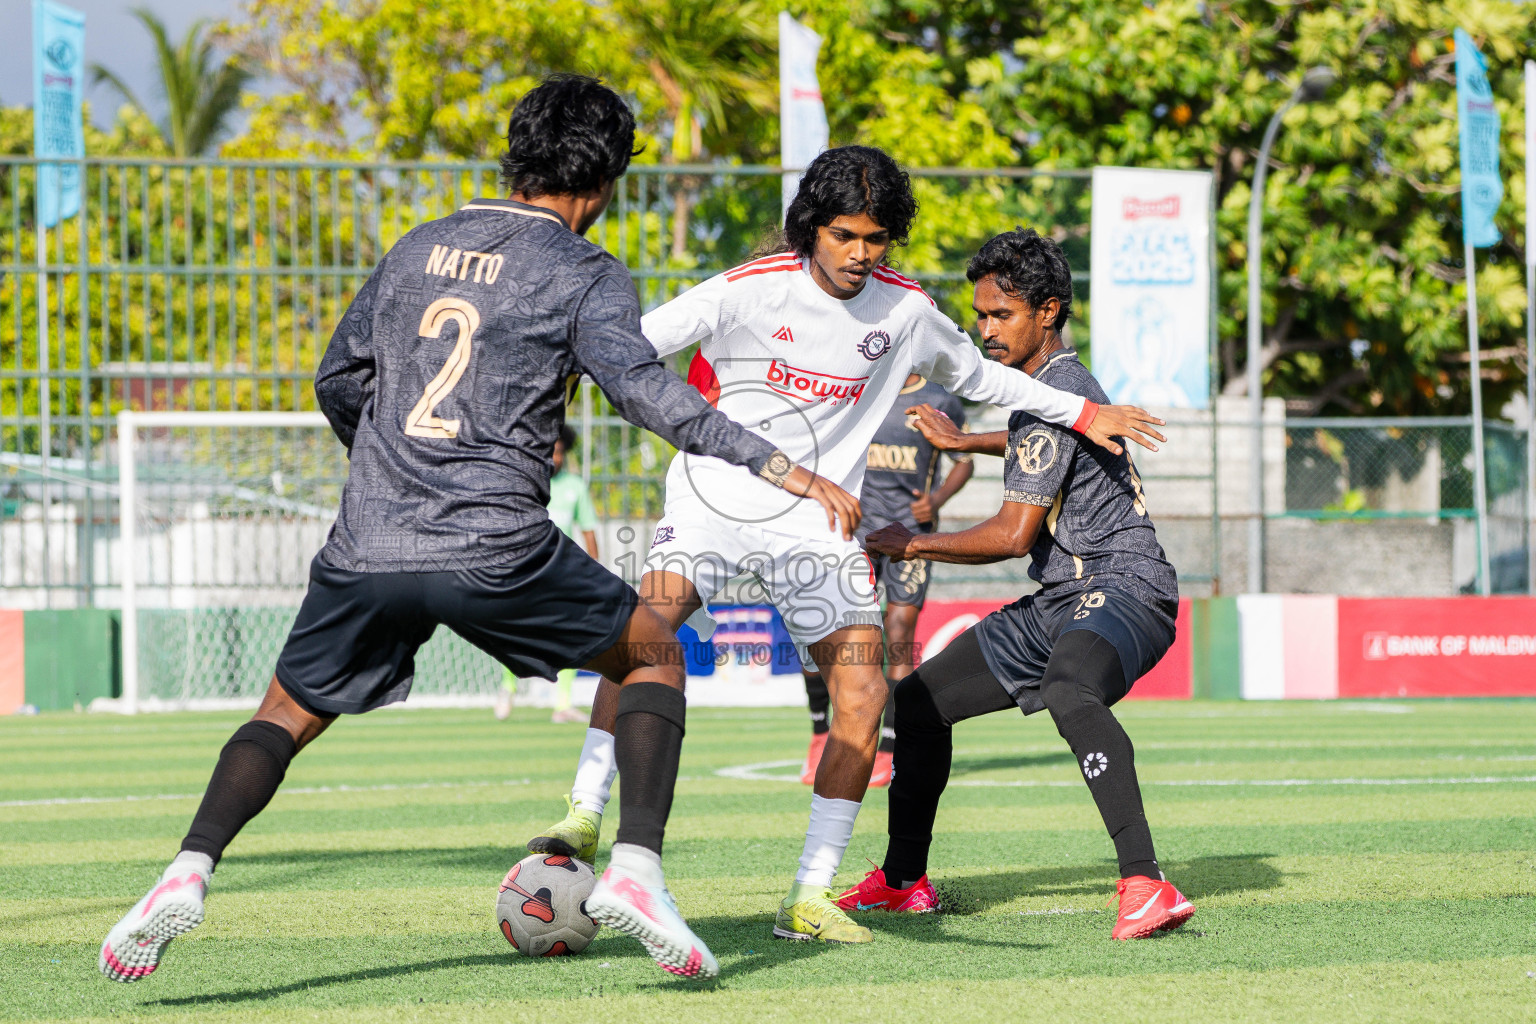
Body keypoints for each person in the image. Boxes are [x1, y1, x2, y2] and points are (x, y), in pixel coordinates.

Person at [98, 74, 859, 985]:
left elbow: (339, 380)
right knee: (653, 652)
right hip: (493, 543)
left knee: (284, 712)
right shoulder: (582, 271)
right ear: (606, 177)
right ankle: (639, 873)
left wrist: (390, 473)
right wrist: (782, 465)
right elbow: (648, 393)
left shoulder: (416, 246)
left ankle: (185, 872)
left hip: (367, 542)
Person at [525, 146, 1168, 946]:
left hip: (817, 521)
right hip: (714, 498)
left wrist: (1081, 414)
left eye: (877, 237)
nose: (862, 253)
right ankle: (585, 811)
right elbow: (624, 350)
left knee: (865, 696)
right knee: (648, 631)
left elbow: (985, 379)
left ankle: (810, 894)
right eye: (844, 235)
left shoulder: (905, 310)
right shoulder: (745, 289)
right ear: (810, 229)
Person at [837, 228, 1196, 939]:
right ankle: (904, 881)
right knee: (917, 704)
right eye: (980, 315)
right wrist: (966, 441)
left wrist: (910, 541)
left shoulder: (1057, 388)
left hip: (1125, 588)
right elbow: (1041, 441)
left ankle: (1147, 882)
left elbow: (1010, 536)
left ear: (1048, 312)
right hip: (1064, 595)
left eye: (1001, 315)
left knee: (1070, 689)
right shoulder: (1048, 393)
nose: (985, 329)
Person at [801, 373, 974, 787]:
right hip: (852, 533)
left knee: (898, 632)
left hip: (910, 538)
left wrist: (934, 501)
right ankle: (820, 731)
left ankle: (888, 746)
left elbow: (964, 462)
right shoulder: (854, 384)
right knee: (823, 632)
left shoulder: (937, 400)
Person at [495, 425, 600, 724]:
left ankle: (562, 704)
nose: (554, 458)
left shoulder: (574, 487)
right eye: (550, 452)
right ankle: (508, 687)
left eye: (559, 452)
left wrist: (592, 575)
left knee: (569, 638)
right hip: (525, 573)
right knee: (513, 634)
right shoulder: (524, 484)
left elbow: (589, 533)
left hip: (563, 576)